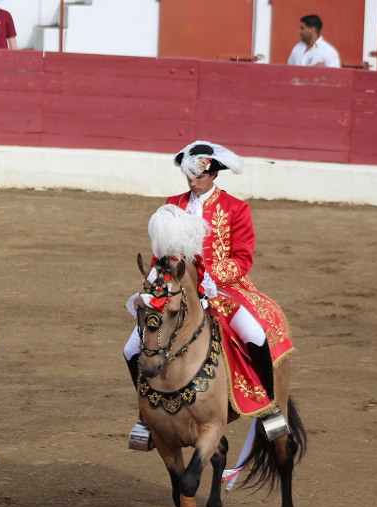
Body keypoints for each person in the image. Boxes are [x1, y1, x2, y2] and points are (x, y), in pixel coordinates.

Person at [123, 141, 295, 426]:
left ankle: (268, 408)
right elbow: (160, 254)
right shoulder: (172, 204)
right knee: (131, 349)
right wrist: (154, 280)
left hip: (224, 288)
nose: (193, 182)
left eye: (199, 176)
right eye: (189, 176)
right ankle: (146, 416)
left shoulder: (236, 208)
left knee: (255, 334)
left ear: (214, 173)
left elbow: (242, 258)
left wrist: (213, 277)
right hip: (176, 289)